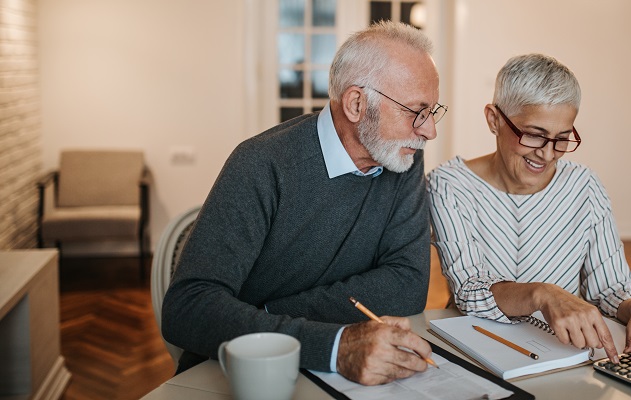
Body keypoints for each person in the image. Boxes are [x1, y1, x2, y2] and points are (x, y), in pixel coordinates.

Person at [162, 21, 447, 386]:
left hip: (336, 369)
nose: (429, 131)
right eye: (416, 111)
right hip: (242, 375)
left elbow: (407, 286)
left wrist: (267, 316)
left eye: (433, 111)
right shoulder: (261, 164)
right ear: (357, 103)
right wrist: (333, 344)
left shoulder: (402, 158)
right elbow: (187, 308)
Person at [426, 53, 631, 366]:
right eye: (534, 135)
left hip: (567, 354)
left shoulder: (584, 186)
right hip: (478, 351)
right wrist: (543, 294)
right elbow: (469, 291)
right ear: (494, 119)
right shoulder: (449, 185)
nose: (547, 154)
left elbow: (610, 286)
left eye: (561, 139)